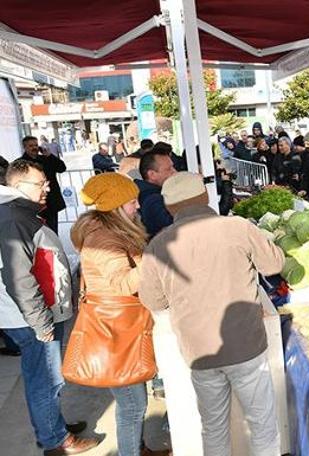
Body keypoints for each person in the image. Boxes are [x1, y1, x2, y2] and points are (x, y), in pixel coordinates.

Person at [139, 172, 284, 456]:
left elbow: (153, 300)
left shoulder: (158, 245)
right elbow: (273, 265)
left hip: (199, 353)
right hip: (246, 347)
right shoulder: (237, 228)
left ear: (169, 208)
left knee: (214, 428)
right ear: (206, 198)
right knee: (263, 426)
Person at [0, 160, 99, 455]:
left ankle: (52, 427)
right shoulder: (13, 217)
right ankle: (56, 441)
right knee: (45, 380)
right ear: (18, 186)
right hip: (30, 317)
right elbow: (18, 278)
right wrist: (42, 323)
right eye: (40, 183)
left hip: (31, 313)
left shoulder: (18, 211)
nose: (48, 188)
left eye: (46, 182)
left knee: (42, 378)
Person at [70, 173, 168, 456]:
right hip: (114, 333)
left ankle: (139, 449)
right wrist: (156, 255)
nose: (137, 206)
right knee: (133, 406)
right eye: (131, 201)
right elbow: (123, 283)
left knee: (134, 403)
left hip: (123, 329)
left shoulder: (114, 230)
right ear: (115, 206)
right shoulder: (103, 237)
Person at [21, 136, 67, 234]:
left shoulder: (47, 158)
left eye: (36, 145)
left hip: (51, 201)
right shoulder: (20, 163)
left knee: (53, 230)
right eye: (31, 146)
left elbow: (62, 168)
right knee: (39, 233)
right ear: (25, 147)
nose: (34, 147)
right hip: (33, 203)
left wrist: (50, 155)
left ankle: (55, 249)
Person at [136, 151, 177, 238]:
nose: (174, 172)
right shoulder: (153, 200)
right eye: (168, 169)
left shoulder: (149, 193)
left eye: (173, 167)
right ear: (152, 175)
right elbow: (180, 226)